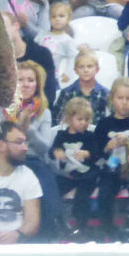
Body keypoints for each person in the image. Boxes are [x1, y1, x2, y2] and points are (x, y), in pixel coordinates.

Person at [0, 60, 63, 240]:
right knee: (36, 170)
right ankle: (57, 223)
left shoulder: (44, 112)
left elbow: (44, 147)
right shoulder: (0, 107)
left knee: (40, 172)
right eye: (21, 80)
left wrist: (29, 128)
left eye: (31, 80)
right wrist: (18, 127)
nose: (26, 84)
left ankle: (50, 229)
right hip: (7, 161)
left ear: (37, 84)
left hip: (33, 160)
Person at [89, 77, 129, 240]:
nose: (124, 103)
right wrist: (107, 147)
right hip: (111, 170)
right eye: (120, 98)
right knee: (104, 193)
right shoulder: (104, 124)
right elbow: (95, 152)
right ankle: (109, 231)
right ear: (112, 99)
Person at [48, 96, 99, 237]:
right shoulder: (61, 135)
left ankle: (82, 226)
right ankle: (59, 222)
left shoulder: (89, 136)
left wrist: (87, 153)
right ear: (70, 119)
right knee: (53, 189)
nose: (84, 123)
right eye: (80, 119)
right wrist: (56, 152)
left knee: (83, 196)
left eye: (87, 120)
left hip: (87, 174)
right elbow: (52, 152)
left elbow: (97, 153)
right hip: (68, 174)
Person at [2, 10, 58, 106]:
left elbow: (49, 94)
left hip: (39, 112)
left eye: (2, 27)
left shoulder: (42, 54)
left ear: (16, 26)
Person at [53, 48, 109, 123]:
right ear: (75, 70)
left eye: (89, 66)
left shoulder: (105, 94)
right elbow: (56, 120)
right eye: (81, 67)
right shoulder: (66, 93)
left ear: (97, 69)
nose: (85, 70)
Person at [35, 0, 81, 87]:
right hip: (37, 75)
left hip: (53, 77)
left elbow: (72, 57)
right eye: (53, 16)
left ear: (68, 19)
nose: (57, 19)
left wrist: (68, 73)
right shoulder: (41, 35)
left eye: (61, 16)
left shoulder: (67, 40)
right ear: (49, 19)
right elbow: (34, 51)